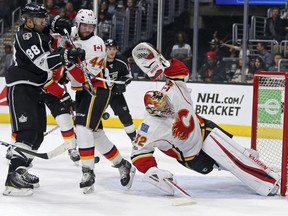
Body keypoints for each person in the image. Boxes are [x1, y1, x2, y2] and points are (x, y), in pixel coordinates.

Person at [130, 42, 280, 196]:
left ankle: (269, 182)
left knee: (234, 156)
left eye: (166, 103)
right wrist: (152, 171)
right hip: (191, 155)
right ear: (153, 112)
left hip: (204, 130)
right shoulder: (150, 127)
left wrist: (165, 63)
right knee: (219, 164)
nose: (168, 108)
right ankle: (240, 161)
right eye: (163, 109)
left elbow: (181, 72)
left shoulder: (173, 91)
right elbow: (138, 154)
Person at [3, 2, 85, 196]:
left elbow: (53, 24)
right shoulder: (25, 36)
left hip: (37, 88)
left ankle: (21, 169)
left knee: (38, 135)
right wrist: (66, 55)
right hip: (21, 87)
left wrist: (61, 22)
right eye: (40, 20)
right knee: (27, 133)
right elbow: (43, 63)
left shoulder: (38, 27)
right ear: (29, 22)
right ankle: (12, 180)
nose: (44, 22)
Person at [67, 9, 136, 194]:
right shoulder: (73, 34)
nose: (88, 29)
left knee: (82, 128)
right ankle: (122, 165)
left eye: (91, 26)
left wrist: (67, 62)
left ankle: (87, 172)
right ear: (77, 24)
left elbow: (86, 76)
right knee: (96, 134)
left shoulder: (97, 44)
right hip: (83, 91)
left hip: (97, 88)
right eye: (84, 25)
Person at [105, 39, 137, 141]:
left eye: (114, 49)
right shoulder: (98, 61)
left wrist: (122, 82)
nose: (112, 51)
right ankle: (82, 140)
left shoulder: (122, 61)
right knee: (91, 118)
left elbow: (128, 77)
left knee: (125, 116)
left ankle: (134, 140)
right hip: (100, 94)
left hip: (115, 94)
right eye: (109, 49)